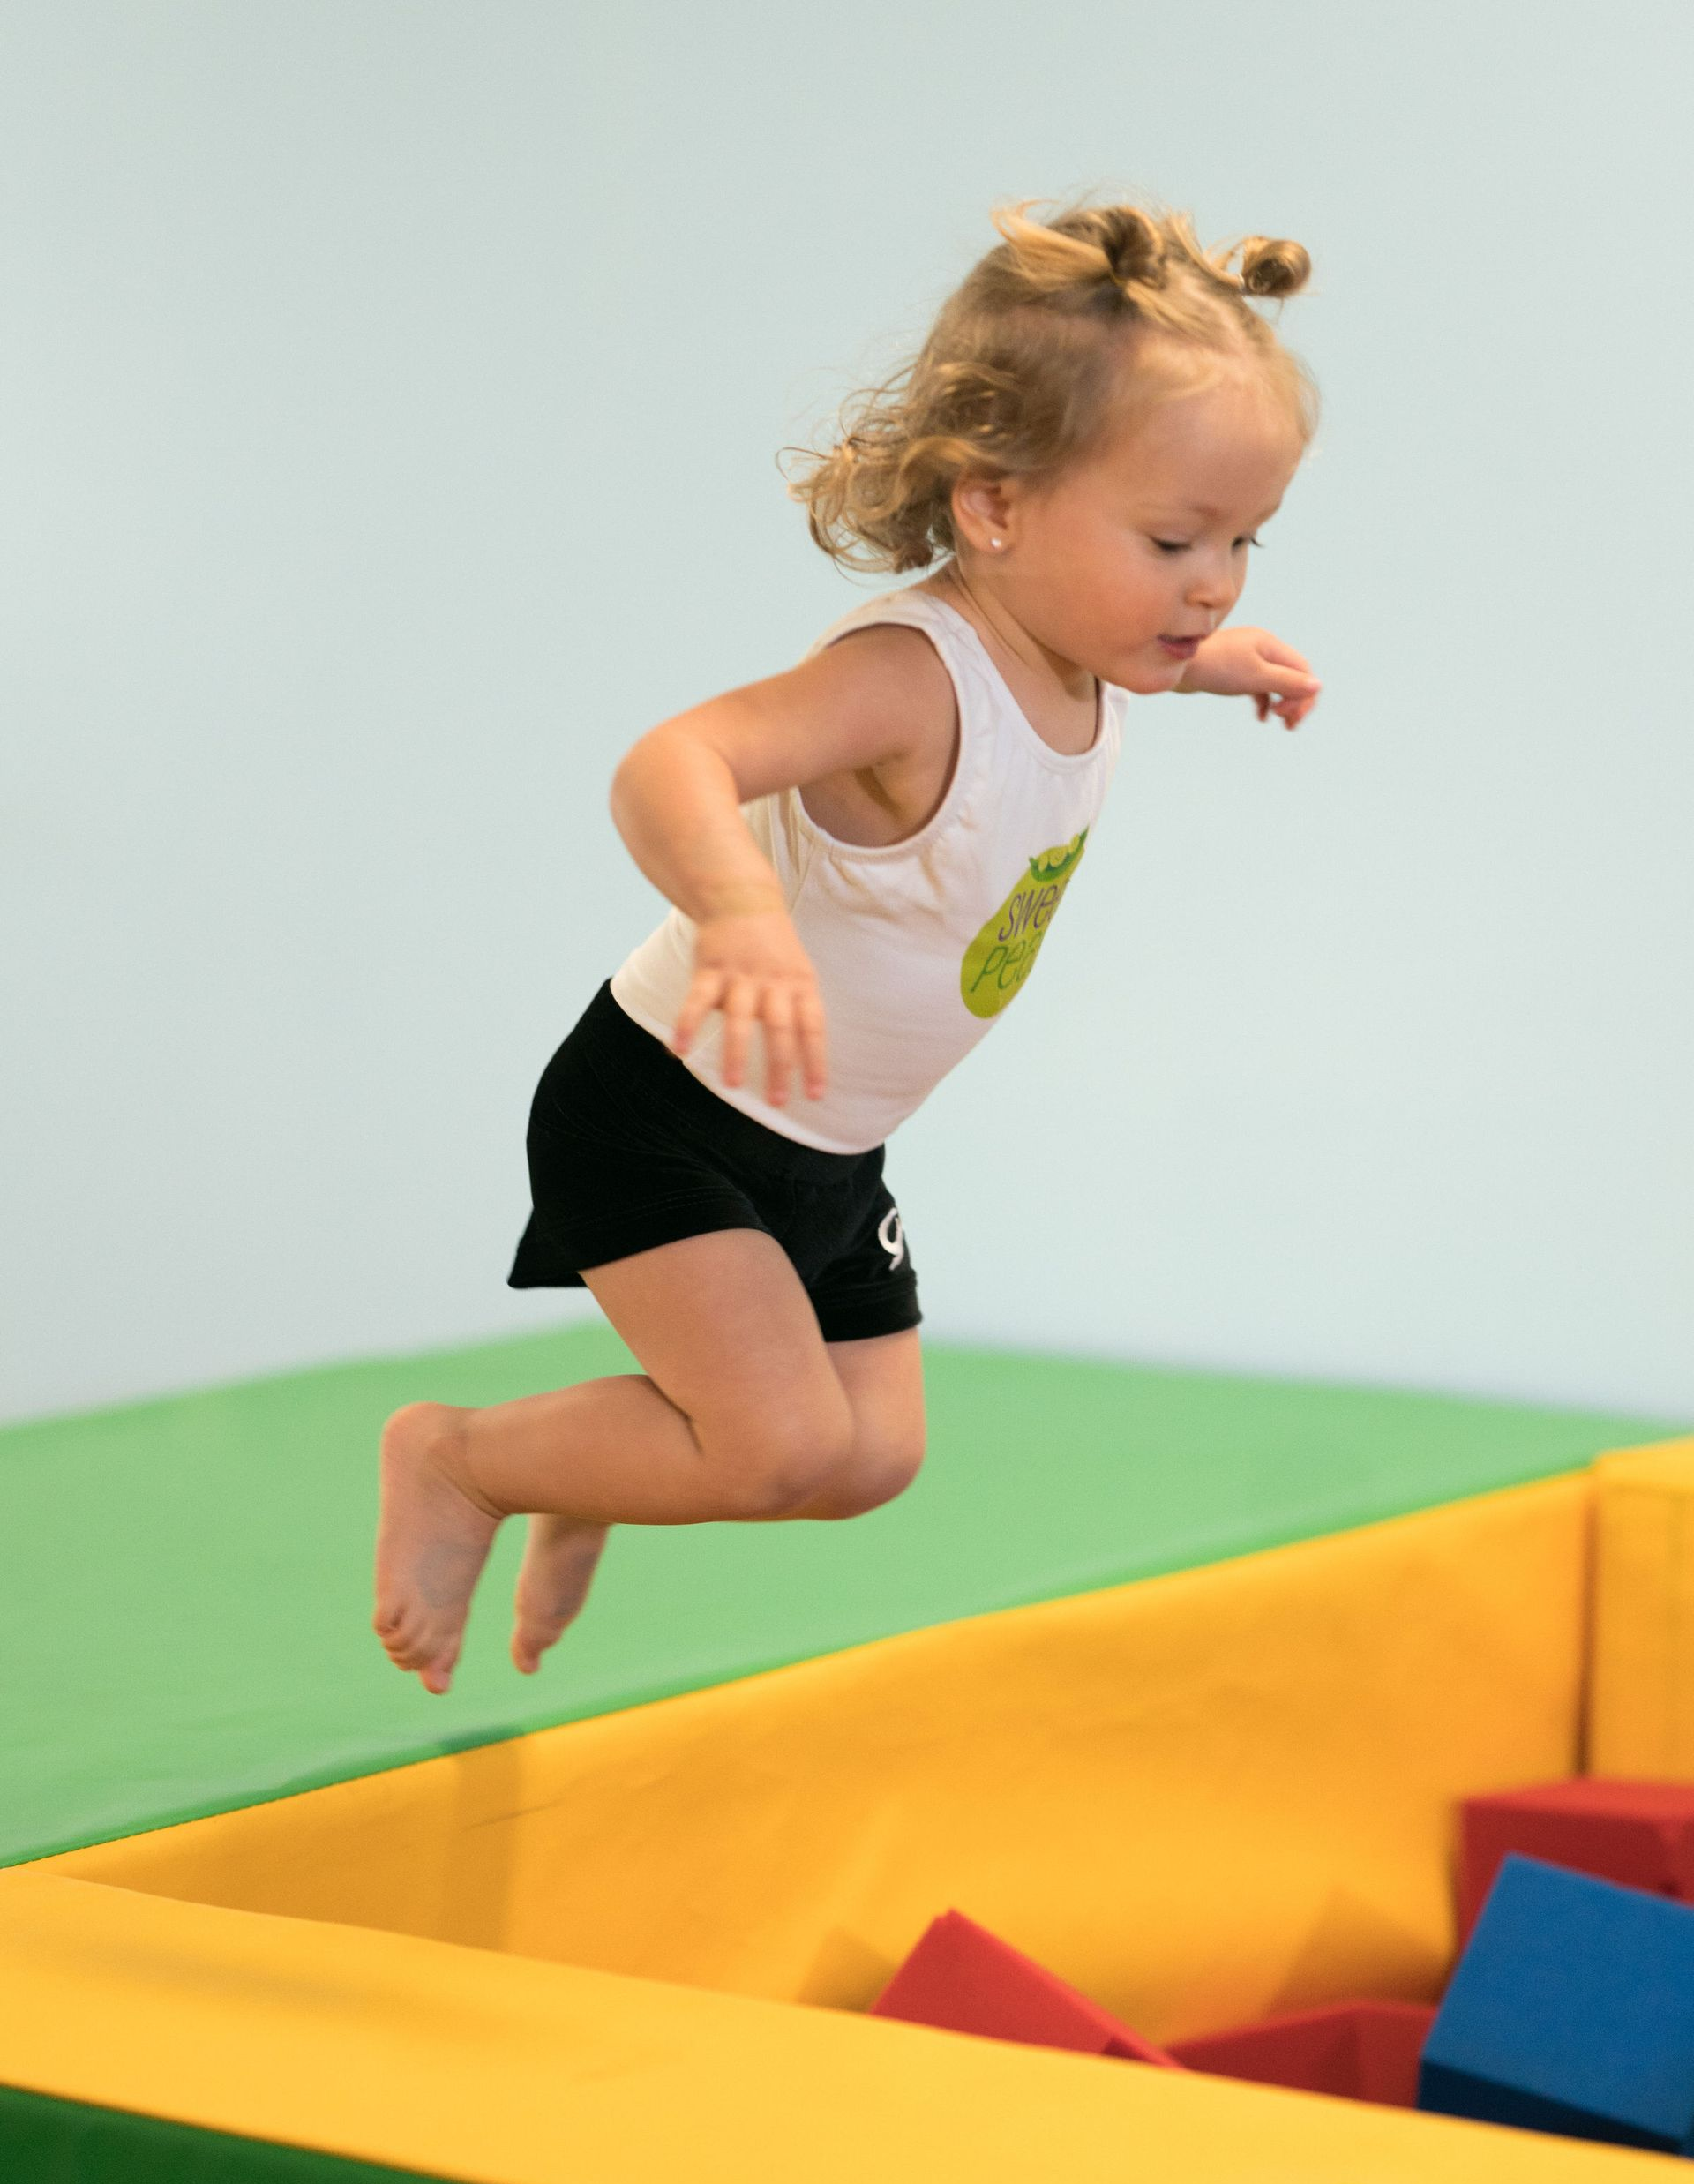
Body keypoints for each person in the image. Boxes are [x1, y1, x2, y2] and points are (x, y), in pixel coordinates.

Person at [373, 192, 1324, 1695]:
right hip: (667, 1111)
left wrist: (1205, 666)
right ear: (995, 505)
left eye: (1242, 539)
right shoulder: (906, 681)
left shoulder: (1077, 655)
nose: (1213, 579)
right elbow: (668, 759)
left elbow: (1099, 670)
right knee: (780, 1440)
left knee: (871, 1456)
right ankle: (467, 1462)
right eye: (1172, 539)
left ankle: (591, 1468)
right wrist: (741, 913)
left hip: (830, 1144)